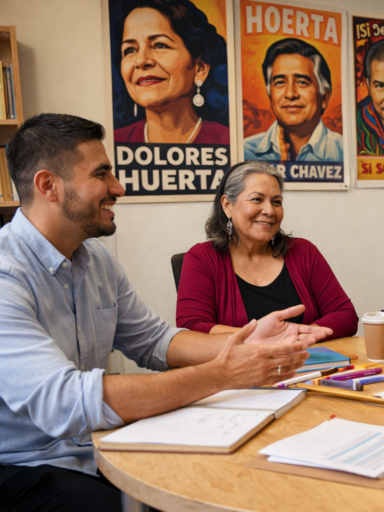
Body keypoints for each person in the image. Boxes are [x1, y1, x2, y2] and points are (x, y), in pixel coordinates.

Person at [0, 114, 330, 511]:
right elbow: (67, 400)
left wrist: (243, 341)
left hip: (100, 448)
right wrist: (222, 373)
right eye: (102, 174)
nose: (117, 187)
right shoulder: (6, 273)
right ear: (48, 185)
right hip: (24, 466)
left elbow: (156, 341)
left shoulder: (97, 261)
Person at [177, 161, 357, 339]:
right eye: (257, 199)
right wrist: (263, 337)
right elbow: (191, 328)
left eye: (276, 202)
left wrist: (297, 336)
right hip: (240, 367)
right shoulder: (202, 258)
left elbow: (345, 315)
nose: (270, 210)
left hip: (305, 362)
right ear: (227, 205)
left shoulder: (303, 252)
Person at [113, 0, 230, 144]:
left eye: (160, 45)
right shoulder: (114, 142)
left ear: (200, 68)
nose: (141, 61)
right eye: (130, 50)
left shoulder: (229, 141)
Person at [243, 38, 343, 162]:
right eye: (280, 82)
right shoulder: (245, 151)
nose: (290, 94)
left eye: (302, 82)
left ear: (324, 97)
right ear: (270, 96)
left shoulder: (343, 151)